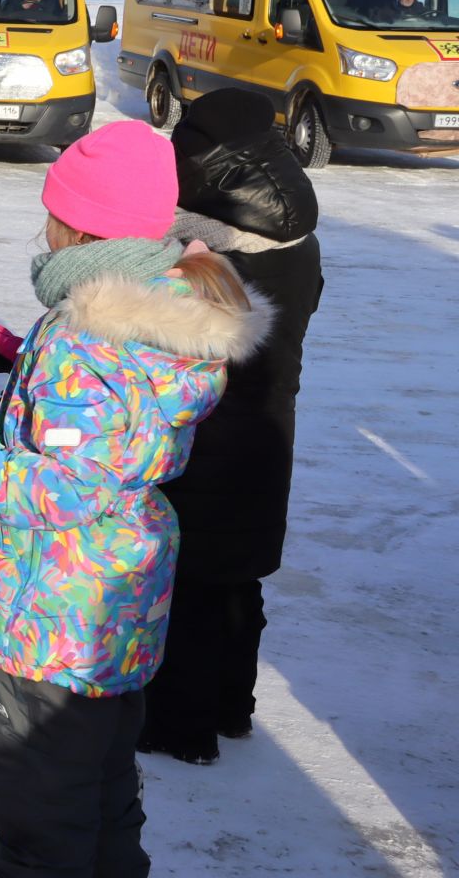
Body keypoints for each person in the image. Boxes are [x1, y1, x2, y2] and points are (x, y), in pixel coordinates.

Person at [0, 120, 268, 877]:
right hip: (115, 603)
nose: (42, 231)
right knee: (104, 798)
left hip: (56, 616)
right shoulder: (160, 304)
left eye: (51, 213)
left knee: (40, 826)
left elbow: (62, 487)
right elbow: (123, 423)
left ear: (81, 227)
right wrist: (21, 358)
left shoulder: (90, 343)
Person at [140, 89, 323, 765]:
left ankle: (181, 731)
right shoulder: (296, 244)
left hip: (209, 441)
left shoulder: (218, 261)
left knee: (191, 591)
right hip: (269, 439)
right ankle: (231, 709)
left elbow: (172, 344)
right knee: (238, 584)